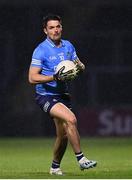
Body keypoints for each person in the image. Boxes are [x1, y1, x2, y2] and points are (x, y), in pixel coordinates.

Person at [28, 14, 97, 175]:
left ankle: (54, 167)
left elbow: (79, 66)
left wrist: (79, 67)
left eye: (57, 26)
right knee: (71, 119)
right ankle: (81, 159)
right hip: (45, 95)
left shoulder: (68, 46)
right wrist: (54, 77)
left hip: (63, 95)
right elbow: (32, 77)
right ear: (45, 30)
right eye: (51, 27)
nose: (55, 30)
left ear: (61, 28)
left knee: (63, 135)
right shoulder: (41, 50)